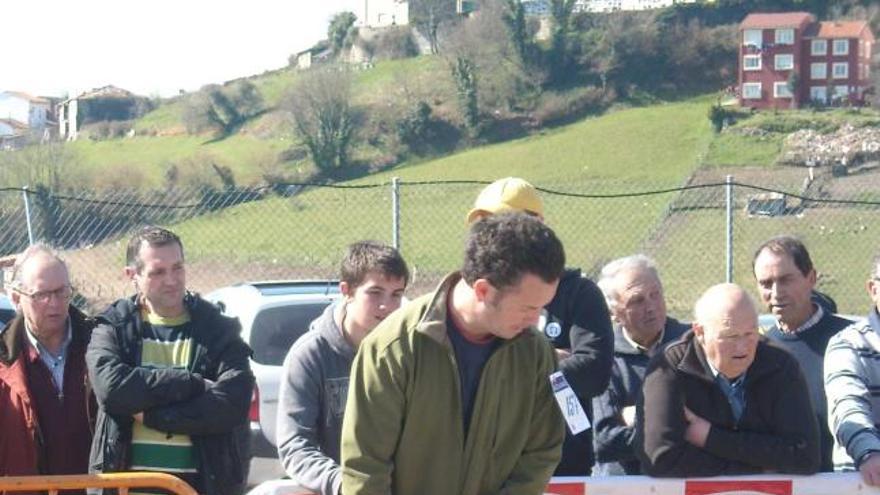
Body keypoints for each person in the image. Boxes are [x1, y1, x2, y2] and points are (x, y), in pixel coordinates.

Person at [341, 213, 565, 495]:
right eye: (528, 308)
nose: (536, 321)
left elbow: (541, 452)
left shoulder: (535, 354)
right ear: (483, 290)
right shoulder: (392, 349)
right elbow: (365, 469)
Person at [87, 226, 254, 495]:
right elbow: (112, 389)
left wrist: (151, 415)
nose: (172, 280)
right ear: (133, 275)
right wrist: (192, 384)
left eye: (178, 268)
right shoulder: (112, 327)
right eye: (158, 272)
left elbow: (232, 404)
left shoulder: (217, 330)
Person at [467, 177, 613, 475]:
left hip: (561, 464)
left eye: (504, 223)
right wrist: (554, 360)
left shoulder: (578, 293)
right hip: (487, 464)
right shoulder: (472, 293)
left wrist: (530, 366)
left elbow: (594, 372)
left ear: (538, 227)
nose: (493, 236)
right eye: (485, 225)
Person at [637, 283, 820, 477]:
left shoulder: (779, 365)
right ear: (700, 333)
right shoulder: (670, 367)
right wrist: (757, 467)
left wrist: (709, 437)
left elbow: (804, 457)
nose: (742, 347)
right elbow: (660, 459)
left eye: (750, 334)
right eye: (729, 336)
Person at [276, 241, 409, 495]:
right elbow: (295, 445)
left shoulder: (407, 354)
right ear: (346, 291)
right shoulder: (310, 355)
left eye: (397, 294)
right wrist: (346, 485)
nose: (387, 306)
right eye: (375, 292)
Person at [753, 235, 851, 471]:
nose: (776, 293)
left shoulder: (852, 340)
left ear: (811, 278)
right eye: (766, 283)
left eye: (786, 280)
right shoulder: (756, 351)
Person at [0, 245, 96, 477]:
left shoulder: (100, 345)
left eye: (61, 292)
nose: (54, 303)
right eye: (41, 295)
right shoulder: (4, 361)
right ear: (15, 298)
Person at [591, 254, 689, 475]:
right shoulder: (603, 357)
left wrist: (638, 417)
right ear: (614, 313)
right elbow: (605, 442)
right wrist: (675, 427)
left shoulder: (692, 343)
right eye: (637, 300)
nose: (651, 306)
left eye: (655, 295)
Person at [825, 253, 880, 483]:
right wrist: (869, 452)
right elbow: (847, 404)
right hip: (864, 483)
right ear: (873, 289)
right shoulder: (848, 344)